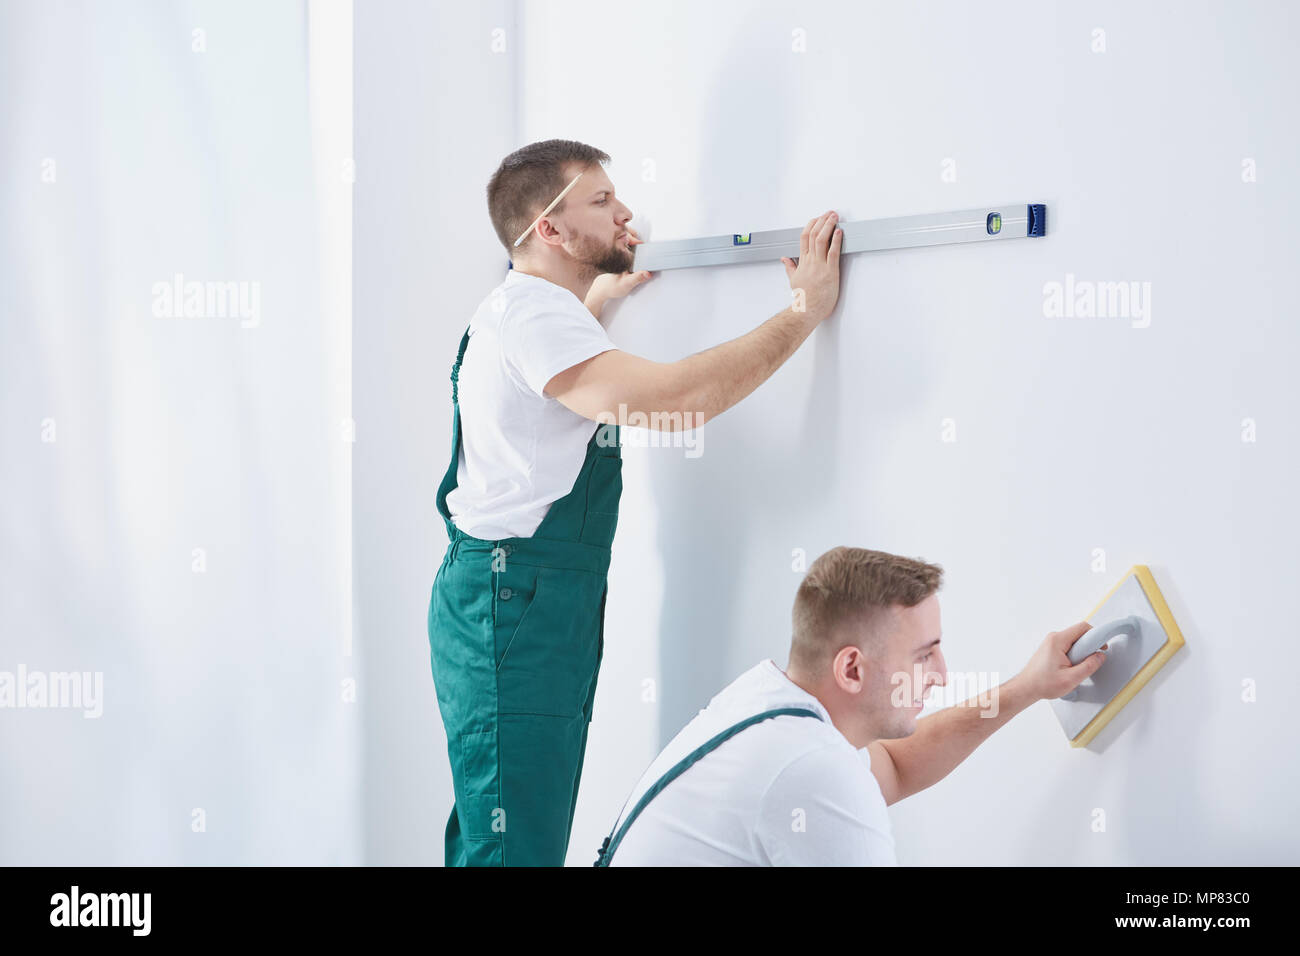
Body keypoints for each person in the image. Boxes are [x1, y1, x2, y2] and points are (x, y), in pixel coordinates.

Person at [427, 138, 846, 866]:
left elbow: (551, 395)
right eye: (600, 201)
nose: (625, 213)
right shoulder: (536, 319)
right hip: (516, 608)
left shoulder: (528, 310)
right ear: (550, 232)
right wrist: (803, 313)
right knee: (513, 845)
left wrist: (597, 300)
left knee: (500, 827)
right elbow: (680, 401)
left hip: (512, 601)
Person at [595, 546, 1110, 866]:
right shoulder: (812, 768)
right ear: (852, 670)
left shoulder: (774, 707)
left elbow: (895, 767)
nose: (942, 676)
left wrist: (1027, 687)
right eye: (924, 655)